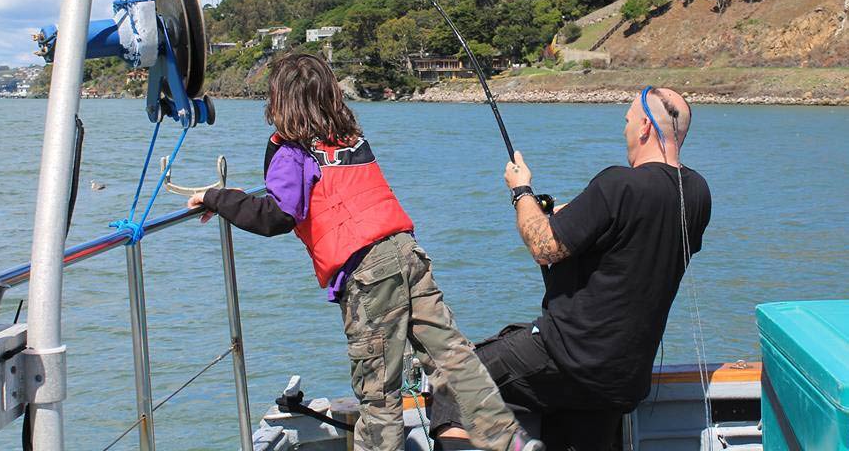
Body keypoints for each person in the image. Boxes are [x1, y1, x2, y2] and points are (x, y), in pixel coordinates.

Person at [186, 53, 543, 451]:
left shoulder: (292, 150)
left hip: (368, 274)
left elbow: (278, 215)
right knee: (452, 357)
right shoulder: (352, 139)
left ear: (279, 101)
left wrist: (216, 198)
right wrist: (235, 198)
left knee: (379, 393)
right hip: (408, 254)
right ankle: (507, 439)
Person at [430, 87, 712, 450]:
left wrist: (521, 191)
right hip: (623, 377)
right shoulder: (697, 193)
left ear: (644, 127)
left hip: (569, 357)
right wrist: (565, 214)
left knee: (453, 381)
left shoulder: (619, 184)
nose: (625, 130)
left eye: (627, 122)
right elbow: (631, 239)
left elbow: (543, 246)